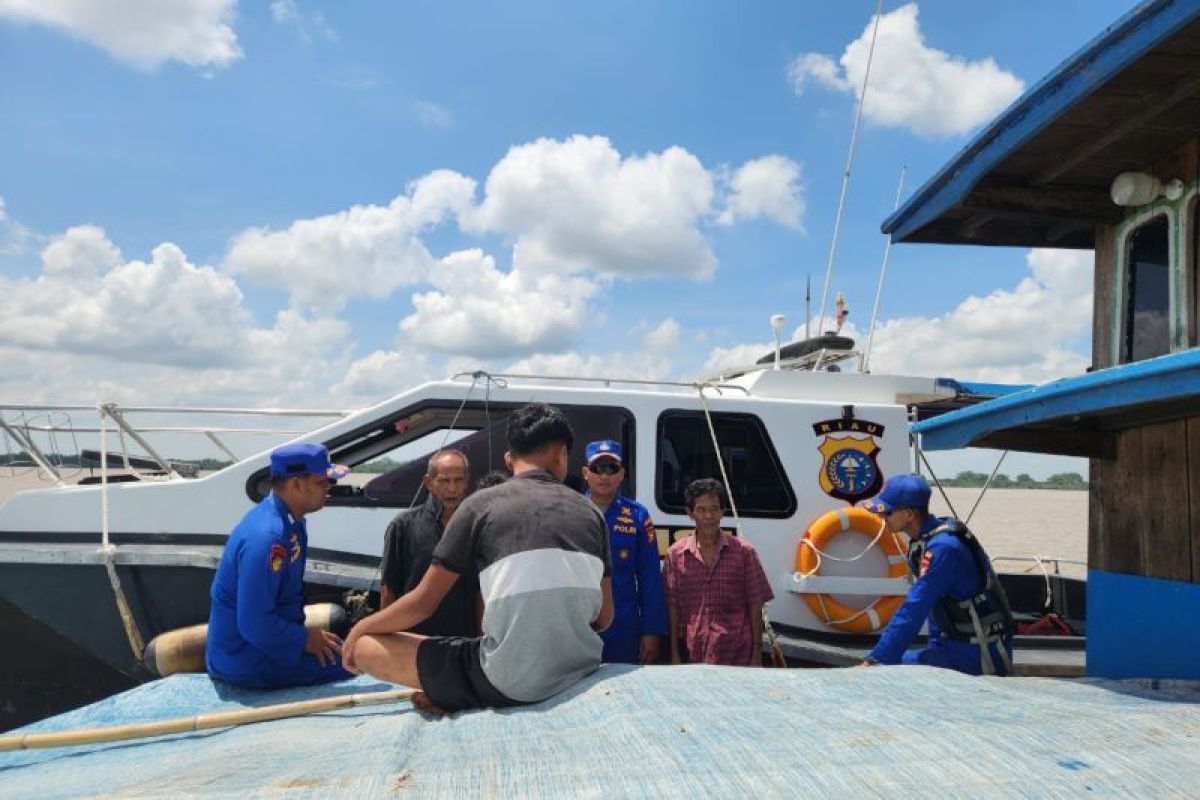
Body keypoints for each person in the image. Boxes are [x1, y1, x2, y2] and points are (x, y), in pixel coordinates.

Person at [341, 403, 613, 714]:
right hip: (581, 670)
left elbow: (423, 603)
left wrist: (360, 629)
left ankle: (457, 693)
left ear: (509, 459)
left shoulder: (479, 506)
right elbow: (605, 617)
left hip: (507, 681)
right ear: (561, 454)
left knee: (366, 647)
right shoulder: (592, 513)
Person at [206, 442, 352, 688]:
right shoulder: (268, 538)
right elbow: (254, 624)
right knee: (362, 664)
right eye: (322, 482)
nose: (328, 488)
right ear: (296, 484)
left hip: (266, 644)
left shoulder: (289, 521)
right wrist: (304, 639)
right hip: (247, 659)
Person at [859, 474, 1015, 675]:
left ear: (908, 514)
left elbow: (915, 608)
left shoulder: (944, 550)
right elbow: (936, 608)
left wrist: (876, 660)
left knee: (888, 670)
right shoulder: (924, 540)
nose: (881, 517)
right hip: (952, 646)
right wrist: (933, 648)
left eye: (887, 512)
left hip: (978, 653)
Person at [665, 478, 774, 667]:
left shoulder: (744, 552)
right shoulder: (676, 555)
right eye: (701, 509)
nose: (708, 516)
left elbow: (756, 604)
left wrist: (756, 654)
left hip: (737, 654)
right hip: (694, 654)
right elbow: (673, 607)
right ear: (690, 513)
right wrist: (674, 654)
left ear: (723, 512)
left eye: (714, 509)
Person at [581, 439, 667, 665]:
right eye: (597, 468)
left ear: (621, 475)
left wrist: (651, 630)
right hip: (579, 624)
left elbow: (649, 576)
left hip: (623, 626)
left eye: (612, 468)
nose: (604, 475)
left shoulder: (638, 515)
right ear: (585, 473)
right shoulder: (571, 511)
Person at [378, 449, 476, 638]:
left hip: (466, 641)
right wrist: (387, 640)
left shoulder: (477, 525)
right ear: (428, 482)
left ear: (467, 481)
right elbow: (389, 589)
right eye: (444, 481)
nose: (452, 489)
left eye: (458, 480)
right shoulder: (403, 526)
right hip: (417, 640)